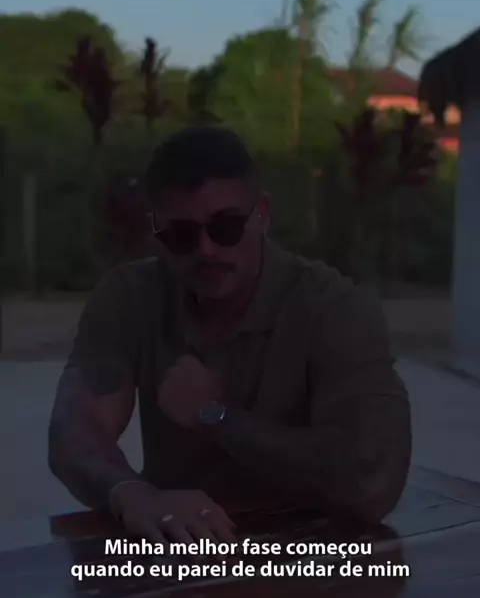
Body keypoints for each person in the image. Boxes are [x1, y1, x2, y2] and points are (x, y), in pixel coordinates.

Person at [48, 126, 411, 545]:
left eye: (226, 227)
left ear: (263, 214)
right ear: (156, 231)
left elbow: (373, 480)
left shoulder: (334, 308)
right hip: (181, 548)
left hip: (316, 551)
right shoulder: (129, 297)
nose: (207, 250)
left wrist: (217, 416)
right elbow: (74, 431)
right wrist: (133, 495)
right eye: (182, 235)